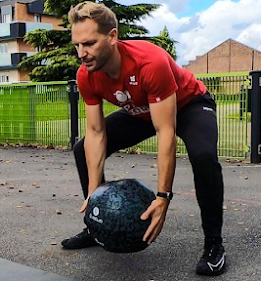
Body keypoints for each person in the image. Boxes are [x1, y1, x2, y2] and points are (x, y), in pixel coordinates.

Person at [61, 1, 226, 276]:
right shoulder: (86, 75)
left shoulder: (150, 62)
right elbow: (96, 132)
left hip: (189, 105)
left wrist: (163, 198)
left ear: (112, 37)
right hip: (142, 111)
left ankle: (214, 245)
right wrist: (94, 198)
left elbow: (166, 132)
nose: (82, 53)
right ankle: (97, 225)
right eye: (77, 45)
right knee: (82, 149)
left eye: (88, 43)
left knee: (204, 156)